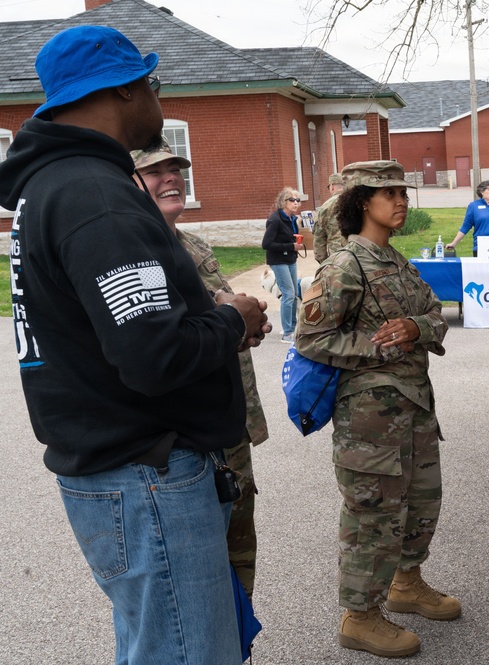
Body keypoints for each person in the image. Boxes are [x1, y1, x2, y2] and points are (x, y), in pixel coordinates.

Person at [0, 26, 270, 664]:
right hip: (146, 476)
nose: (157, 98)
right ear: (124, 89)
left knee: (157, 648)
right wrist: (233, 319)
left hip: (118, 470)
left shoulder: (55, 187)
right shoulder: (97, 197)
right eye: (153, 84)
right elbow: (155, 356)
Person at [296, 160, 456, 658]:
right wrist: (379, 346)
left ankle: (407, 584)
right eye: (389, 193)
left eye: (403, 192)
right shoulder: (347, 264)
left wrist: (415, 329)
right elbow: (311, 337)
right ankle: (359, 616)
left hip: (415, 408)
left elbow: (436, 315)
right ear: (363, 200)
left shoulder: (398, 262)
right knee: (373, 516)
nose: (402, 201)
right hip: (370, 419)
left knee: (422, 502)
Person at [132, 141, 269, 598]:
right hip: (189, 438)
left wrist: (245, 323)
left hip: (231, 424)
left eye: (176, 169)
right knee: (194, 572)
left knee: (239, 548)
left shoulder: (194, 244)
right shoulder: (134, 251)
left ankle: (235, 642)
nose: (171, 177)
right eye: (155, 172)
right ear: (128, 183)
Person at [262, 186, 305, 342]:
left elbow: (286, 238)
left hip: (290, 259)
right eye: (292, 200)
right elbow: (266, 244)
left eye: (297, 200)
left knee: (293, 295)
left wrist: (295, 242)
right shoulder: (275, 219)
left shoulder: (293, 219)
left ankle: (292, 328)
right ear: (283, 202)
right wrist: (290, 246)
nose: (295, 203)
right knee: (288, 294)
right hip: (278, 260)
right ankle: (287, 333)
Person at [314, 172, 346, 263]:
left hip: (337, 256)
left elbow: (319, 237)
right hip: (359, 254)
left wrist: (323, 261)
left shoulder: (325, 207)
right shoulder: (357, 201)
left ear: (332, 186)